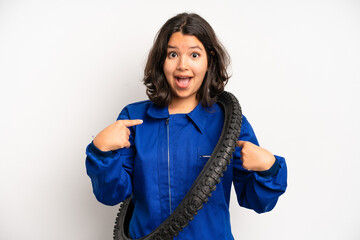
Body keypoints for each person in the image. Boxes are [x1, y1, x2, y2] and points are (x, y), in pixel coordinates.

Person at [85, 12, 287, 239]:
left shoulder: (229, 122)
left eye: (194, 54)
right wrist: (101, 152)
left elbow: (257, 201)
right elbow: (111, 195)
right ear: (161, 60)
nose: (183, 65)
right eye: (173, 54)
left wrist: (269, 169)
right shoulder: (134, 118)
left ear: (209, 60)